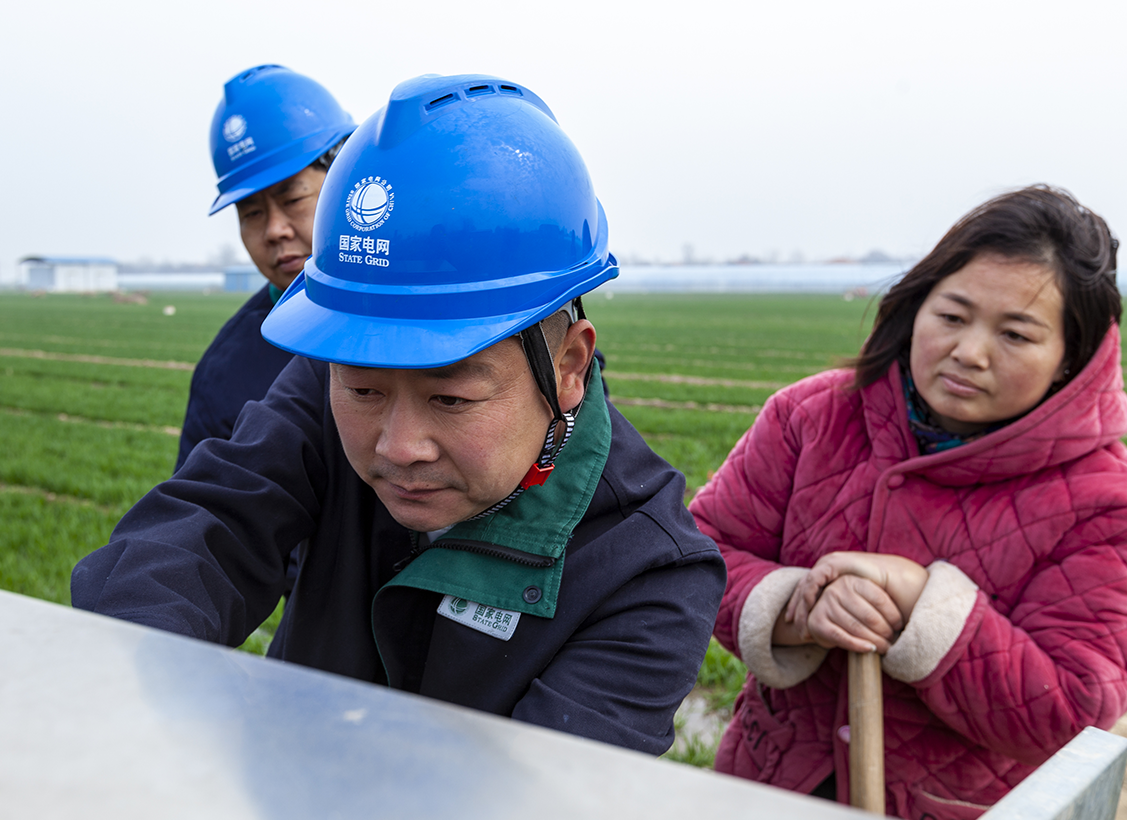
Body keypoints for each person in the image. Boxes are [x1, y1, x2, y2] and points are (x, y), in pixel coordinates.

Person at [73, 73, 725, 755]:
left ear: (565, 366)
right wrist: (126, 678)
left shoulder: (648, 572)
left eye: (451, 398)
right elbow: (209, 523)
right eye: (364, 392)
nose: (399, 446)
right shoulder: (320, 397)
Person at [692, 186, 1127, 817]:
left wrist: (919, 601)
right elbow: (703, 555)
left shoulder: (1108, 496)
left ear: (1072, 357)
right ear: (917, 306)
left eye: (1016, 334)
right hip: (768, 786)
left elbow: (1074, 704)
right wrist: (802, 606)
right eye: (952, 316)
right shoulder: (812, 415)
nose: (970, 352)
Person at [175, 65, 357, 471]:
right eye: (252, 213)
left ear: (344, 177)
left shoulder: (428, 315)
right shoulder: (225, 374)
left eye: (292, 199)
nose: (274, 230)